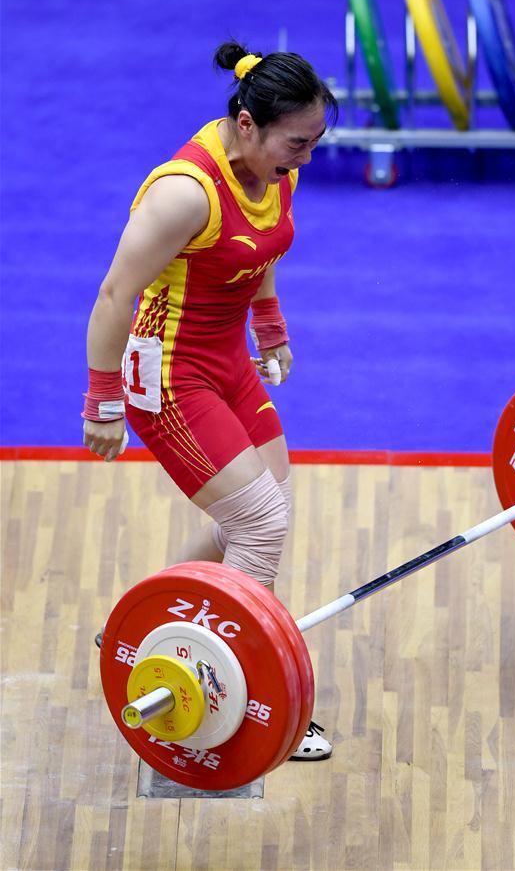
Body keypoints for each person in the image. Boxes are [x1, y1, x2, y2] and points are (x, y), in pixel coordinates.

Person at [83, 41, 338, 761]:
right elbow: (113, 294)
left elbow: (260, 252)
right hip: (165, 374)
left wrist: (269, 323)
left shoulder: (275, 166)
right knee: (259, 522)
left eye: (316, 142)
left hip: (225, 359)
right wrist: (101, 402)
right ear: (248, 124)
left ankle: (143, 619)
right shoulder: (184, 193)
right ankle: (248, 694)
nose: (307, 160)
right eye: (298, 142)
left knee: (267, 504)